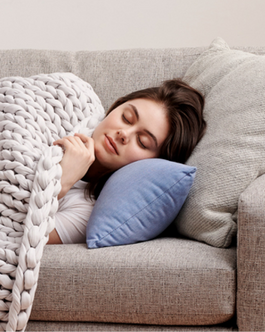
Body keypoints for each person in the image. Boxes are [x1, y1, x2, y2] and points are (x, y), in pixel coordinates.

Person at [48, 79, 207, 244]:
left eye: (142, 141)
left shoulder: (84, 212)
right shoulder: (65, 113)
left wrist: (62, 182)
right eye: (126, 118)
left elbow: (24, 236)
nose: (124, 133)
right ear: (117, 106)